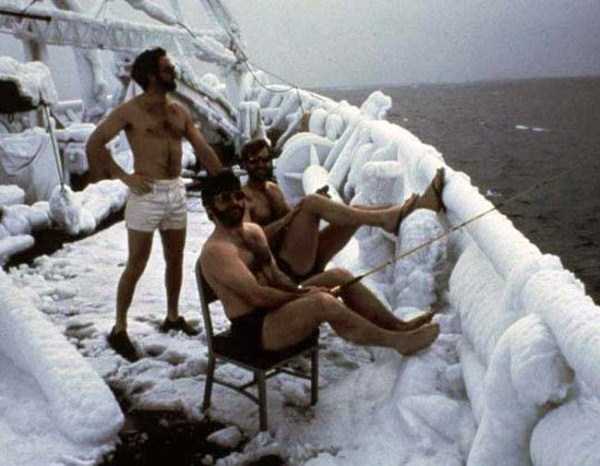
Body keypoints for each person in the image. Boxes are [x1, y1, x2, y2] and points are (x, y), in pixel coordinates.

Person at [199, 170, 440, 356]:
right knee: (322, 303)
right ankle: (397, 342)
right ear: (210, 210)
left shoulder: (253, 232)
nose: (235, 203)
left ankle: (398, 326)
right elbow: (257, 296)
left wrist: (300, 290)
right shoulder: (216, 252)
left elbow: (276, 276)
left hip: (275, 310)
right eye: (224, 199)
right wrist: (304, 295)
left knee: (339, 276)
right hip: (256, 331)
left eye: (237, 196)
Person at [86, 47, 223, 361]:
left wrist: (224, 178)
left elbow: (202, 148)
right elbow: (94, 143)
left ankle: (172, 317)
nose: (173, 72)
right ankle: (119, 328)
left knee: (175, 259)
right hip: (145, 193)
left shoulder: (178, 111)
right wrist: (125, 177)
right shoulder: (130, 111)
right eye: (166, 68)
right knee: (137, 262)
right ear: (150, 75)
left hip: (175, 191)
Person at [239, 138, 446, 282]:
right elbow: (250, 239)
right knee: (310, 202)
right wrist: (298, 212)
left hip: (305, 259)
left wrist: (310, 208)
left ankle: (413, 209)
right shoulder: (245, 199)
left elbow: (290, 221)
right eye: (254, 161)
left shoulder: (273, 189)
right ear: (244, 166)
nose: (261, 165)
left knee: (355, 211)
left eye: (265, 159)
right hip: (284, 267)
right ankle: (389, 218)